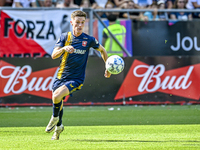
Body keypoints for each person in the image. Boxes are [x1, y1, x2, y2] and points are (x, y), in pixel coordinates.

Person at [45, 10, 111, 140]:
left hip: (76, 78)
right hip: (61, 76)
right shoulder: (65, 37)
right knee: (58, 100)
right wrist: (64, 48)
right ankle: (59, 127)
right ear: (72, 23)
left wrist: (107, 67)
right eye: (77, 23)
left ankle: (54, 118)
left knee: (57, 96)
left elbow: (102, 50)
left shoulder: (89, 39)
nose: (80, 25)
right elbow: (53, 55)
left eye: (82, 23)